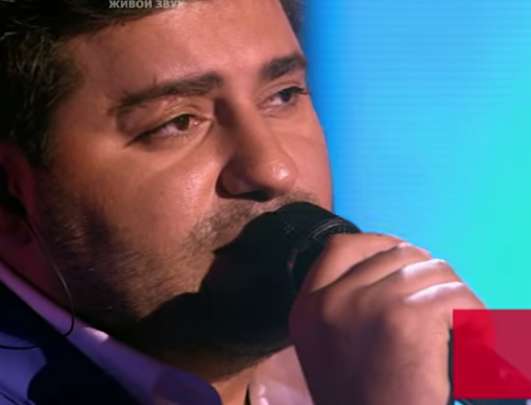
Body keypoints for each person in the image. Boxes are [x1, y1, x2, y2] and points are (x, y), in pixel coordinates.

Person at [0, 1, 493, 404]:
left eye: (283, 95)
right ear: (10, 194)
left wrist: (502, 374)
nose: (273, 169)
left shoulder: (386, 329)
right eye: (178, 123)